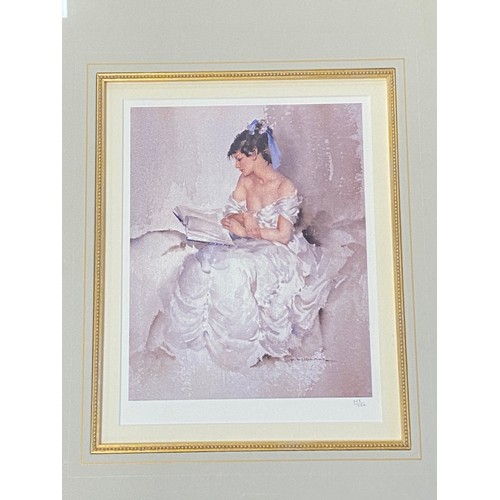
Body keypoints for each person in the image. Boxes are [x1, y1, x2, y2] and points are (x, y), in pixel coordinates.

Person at [147, 119, 334, 370]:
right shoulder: (245, 181)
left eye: (239, 159)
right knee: (205, 260)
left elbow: (282, 235)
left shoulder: (284, 186)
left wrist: (246, 230)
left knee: (234, 267)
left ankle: (236, 352)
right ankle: (196, 346)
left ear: (254, 154)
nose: (237, 165)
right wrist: (243, 216)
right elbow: (229, 213)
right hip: (248, 243)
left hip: (278, 249)